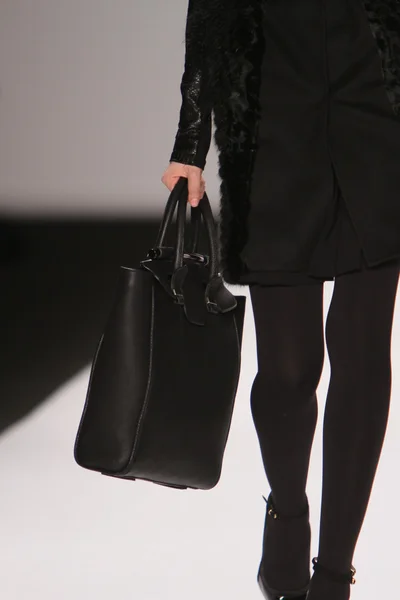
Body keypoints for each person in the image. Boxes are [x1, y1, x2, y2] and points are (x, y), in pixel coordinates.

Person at [161, 1, 400, 599]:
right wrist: (192, 140)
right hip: (274, 121)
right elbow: (211, 12)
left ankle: (334, 572)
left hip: (379, 117)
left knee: (363, 355)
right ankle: (288, 515)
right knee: (288, 372)